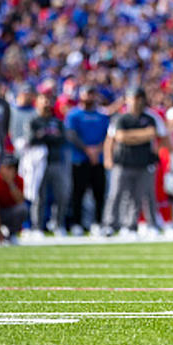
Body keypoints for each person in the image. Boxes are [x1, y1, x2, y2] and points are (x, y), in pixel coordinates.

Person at [102, 88, 166, 235]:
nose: (136, 101)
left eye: (138, 98)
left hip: (143, 163)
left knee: (137, 197)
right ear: (127, 100)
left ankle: (130, 225)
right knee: (116, 194)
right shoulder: (121, 118)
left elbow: (155, 135)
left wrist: (129, 137)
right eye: (133, 98)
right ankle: (110, 224)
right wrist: (108, 157)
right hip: (123, 162)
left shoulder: (151, 117)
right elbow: (116, 138)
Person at [26, 91, 78, 235]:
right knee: (39, 197)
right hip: (38, 163)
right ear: (37, 101)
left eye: (50, 100)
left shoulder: (57, 121)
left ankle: (58, 224)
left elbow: (62, 139)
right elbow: (31, 139)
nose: (47, 103)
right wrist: (46, 136)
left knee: (62, 195)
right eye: (44, 99)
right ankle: (37, 227)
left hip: (56, 161)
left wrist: (44, 136)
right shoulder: (33, 120)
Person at [65, 86, 109, 235]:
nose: (89, 97)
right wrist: (87, 150)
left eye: (92, 93)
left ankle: (98, 223)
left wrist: (97, 150)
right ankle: (77, 224)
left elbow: (108, 135)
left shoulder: (102, 115)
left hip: (98, 160)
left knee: (99, 193)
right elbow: (71, 135)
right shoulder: (74, 114)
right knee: (78, 193)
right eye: (87, 93)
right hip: (80, 159)